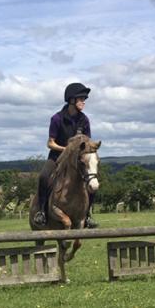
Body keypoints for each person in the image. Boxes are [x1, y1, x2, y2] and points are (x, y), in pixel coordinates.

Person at [33, 82, 99, 228]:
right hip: (57, 157)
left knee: (92, 181)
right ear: (71, 100)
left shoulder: (84, 120)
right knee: (44, 176)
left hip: (77, 160)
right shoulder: (57, 118)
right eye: (81, 99)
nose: (83, 102)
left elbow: (87, 143)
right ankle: (42, 212)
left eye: (84, 99)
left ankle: (87, 215)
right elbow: (50, 143)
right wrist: (67, 150)